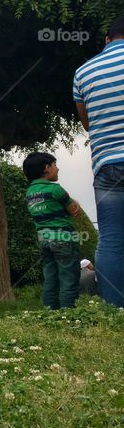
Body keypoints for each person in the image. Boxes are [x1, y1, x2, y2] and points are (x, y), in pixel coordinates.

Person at [74, 16, 124, 307]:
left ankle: (115, 308)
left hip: (106, 165)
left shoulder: (84, 71)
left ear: (107, 39)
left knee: (111, 238)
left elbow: (88, 124)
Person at [23, 152, 83, 309]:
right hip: (63, 238)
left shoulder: (29, 193)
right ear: (46, 168)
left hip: (44, 239)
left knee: (50, 279)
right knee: (69, 278)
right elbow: (73, 210)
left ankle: (50, 312)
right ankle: (69, 314)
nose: (58, 169)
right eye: (55, 165)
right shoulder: (55, 189)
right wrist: (75, 202)